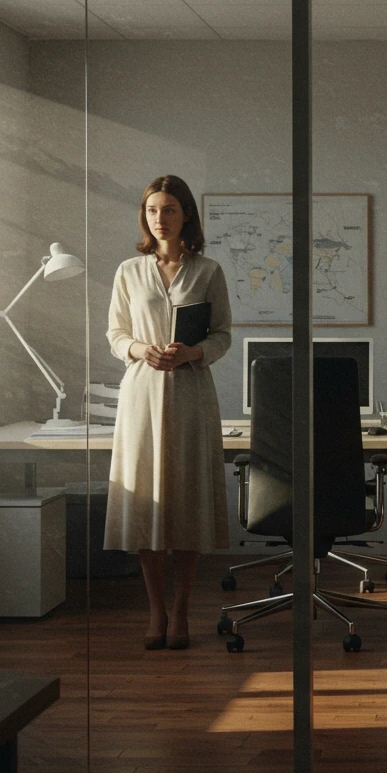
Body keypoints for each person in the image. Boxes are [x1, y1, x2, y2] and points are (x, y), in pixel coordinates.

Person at [105, 175, 232, 650]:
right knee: (146, 505)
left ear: (186, 217)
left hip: (191, 394)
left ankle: (181, 611)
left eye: (170, 210)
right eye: (154, 211)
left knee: (187, 502)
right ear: (146, 216)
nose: (161, 219)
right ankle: (155, 611)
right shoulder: (128, 272)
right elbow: (116, 334)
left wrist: (192, 354)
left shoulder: (208, 271)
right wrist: (141, 348)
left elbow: (222, 335)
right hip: (142, 395)